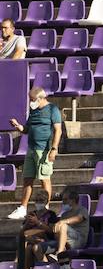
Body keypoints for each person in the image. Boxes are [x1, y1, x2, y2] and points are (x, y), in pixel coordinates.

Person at [8, 86, 63, 220]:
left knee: (44, 179)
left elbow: (58, 130)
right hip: (31, 149)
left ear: (40, 98)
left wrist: (54, 149)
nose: (31, 102)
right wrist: (18, 126)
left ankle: (46, 209)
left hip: (44, 149)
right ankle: (23, 208)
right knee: (27, 179)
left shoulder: (52, 110)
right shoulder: (33, 111)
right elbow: (27, 129)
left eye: (32, 99)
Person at [51, 188, 90, 257]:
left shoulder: (82, 210)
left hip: (78, 240)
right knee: (39, 247)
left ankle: (60, 253)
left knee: (63, 226)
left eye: (65, 200)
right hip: (66, 240)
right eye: (63, 200)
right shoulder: (64, 214)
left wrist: (63, 222)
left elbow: (79, 218)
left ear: (73, 200)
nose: (63, 202)